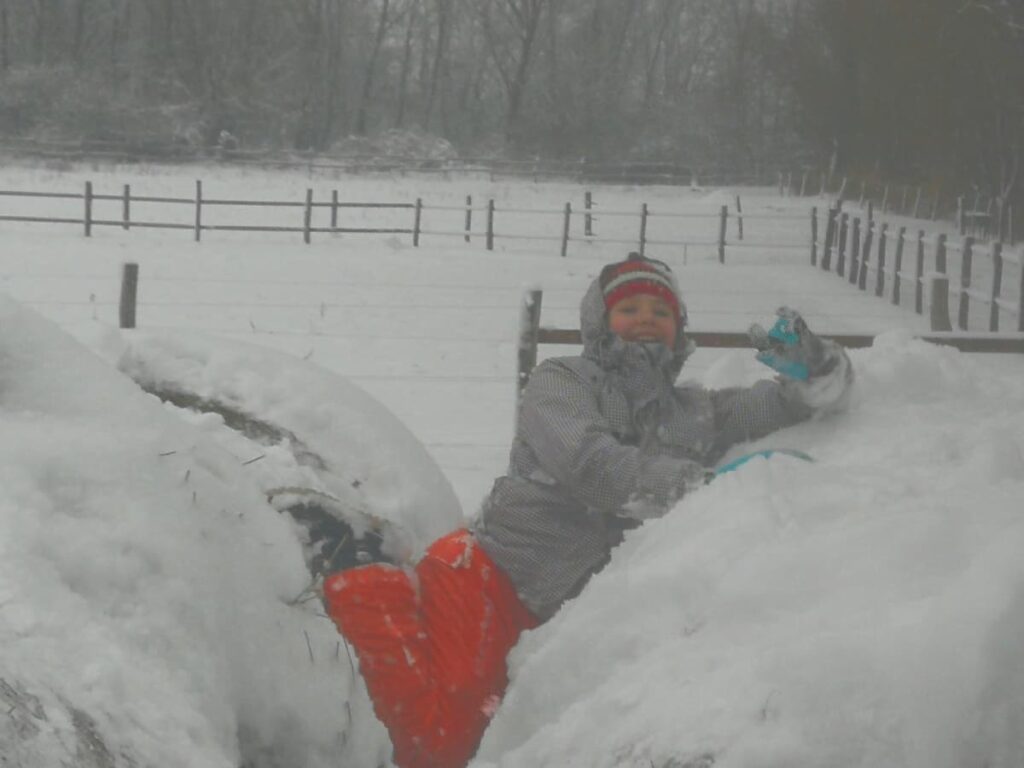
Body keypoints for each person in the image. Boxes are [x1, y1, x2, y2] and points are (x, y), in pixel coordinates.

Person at [323, 252, 853, 768]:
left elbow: (783, 404)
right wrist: (696, 486)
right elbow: (587, 462)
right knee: (439, 746)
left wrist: (816, 369)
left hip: (556, 616)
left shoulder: (693, 410)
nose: (647, 318)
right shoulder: (562, 381)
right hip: (496, 573)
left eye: (661, 311)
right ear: (599, 323)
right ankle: (363, 579)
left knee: (492, 740)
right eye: (629, 309)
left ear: (679, 327)